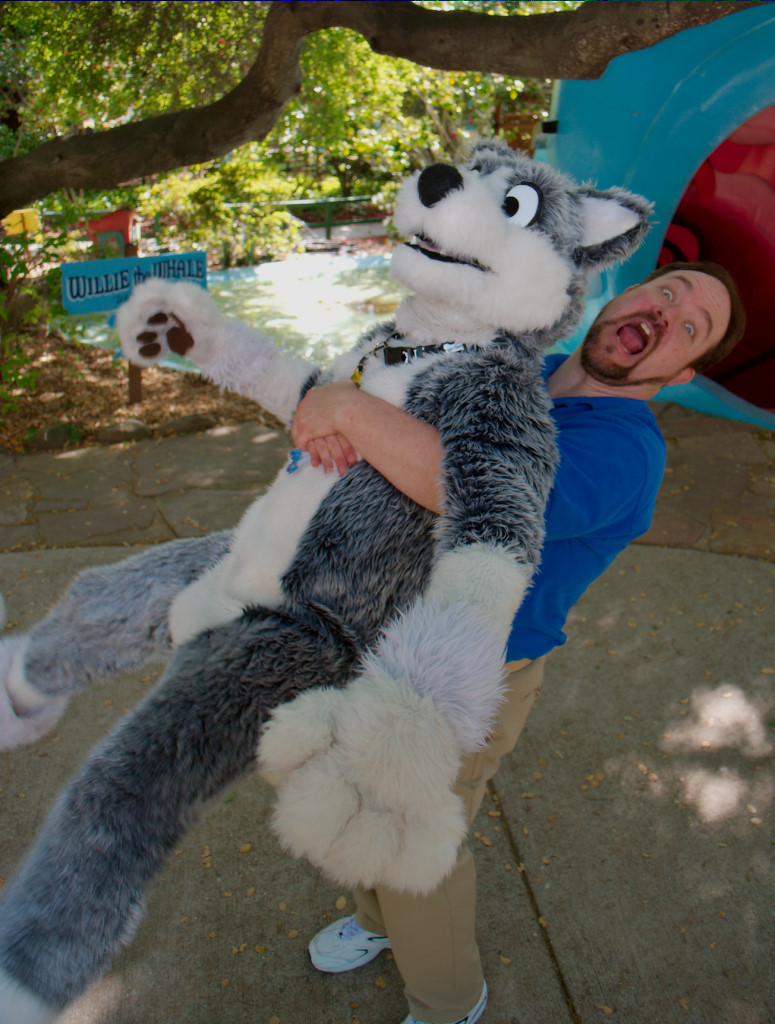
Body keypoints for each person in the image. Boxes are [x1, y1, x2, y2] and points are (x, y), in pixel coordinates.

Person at [287, 262, 745, 1024]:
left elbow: (475, 489)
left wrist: (344, 408)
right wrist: (345, 413)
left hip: (465, 677)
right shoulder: (521, 368)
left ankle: (449, 1003)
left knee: (413, 843)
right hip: (382, 631)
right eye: (667, 292)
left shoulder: (627, 454)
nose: (668, 313)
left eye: (690, 326)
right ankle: (377, 921)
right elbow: (400, 415)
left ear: (678, 374)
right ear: (630, 295)